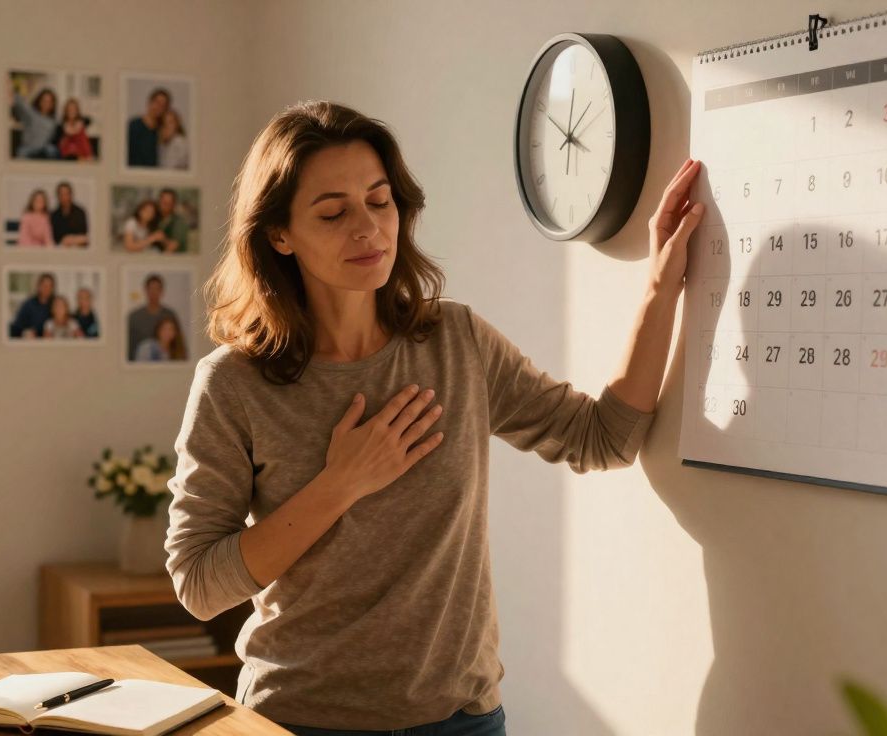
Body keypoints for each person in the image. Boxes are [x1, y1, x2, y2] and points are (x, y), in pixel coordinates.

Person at [164, 102, 702, 735]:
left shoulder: (456, 342)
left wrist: (661, 285)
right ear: (280, 234)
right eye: (333, 213)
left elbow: (603, 438)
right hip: (300, 720)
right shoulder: (234, 384)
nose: (368, 228)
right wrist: (341, 484)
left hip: (461, 720)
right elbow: (200, 583)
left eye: (379, 201)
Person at [126, 274, 178, 359]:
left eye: (157, 289)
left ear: (162, 291)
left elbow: (178, 344)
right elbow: (128, 346)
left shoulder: (170, 315)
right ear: (145, 290)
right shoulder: (134, 317)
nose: (153, 292)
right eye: (151, 289)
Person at [10, 83, 59, 159]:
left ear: (53, 104)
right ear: (39, 101)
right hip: (27, 150)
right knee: (21, 153)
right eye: (44, 100)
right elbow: (19, 102)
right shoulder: (31, 113)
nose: (46, 104)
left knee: (52, 150)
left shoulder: (54, 122)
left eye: (49, 101)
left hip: (43, 151)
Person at [127, 88, 170, 167]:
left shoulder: (162, 131)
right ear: (150, 102)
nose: (159, 107)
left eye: (163, 106)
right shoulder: (133, 126)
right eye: (157, 103)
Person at [8, 273, 56, 339]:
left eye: (50, 286)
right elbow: (16, 327)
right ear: (39, 286)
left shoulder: (56, 304)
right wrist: (24, 332)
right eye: (45, 286)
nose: (47, 289)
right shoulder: (28, 304)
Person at [51, 182, 89, 248]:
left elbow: (84, 236)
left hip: (78, 249)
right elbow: (53, 239)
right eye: (61, 194)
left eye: (66, 194)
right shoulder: (53, 215)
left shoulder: (80, 212)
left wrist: (71, 240)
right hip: (60, 249)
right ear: (58, 196)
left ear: (71, 195)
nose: (64, 197)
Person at [152, 188, 190, 253]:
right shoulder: (155, 218)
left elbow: (172, 248)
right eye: (163, 201)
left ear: (174, 204)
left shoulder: (179, 222)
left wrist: (163, 239)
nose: (165, 204)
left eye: (168, 202)